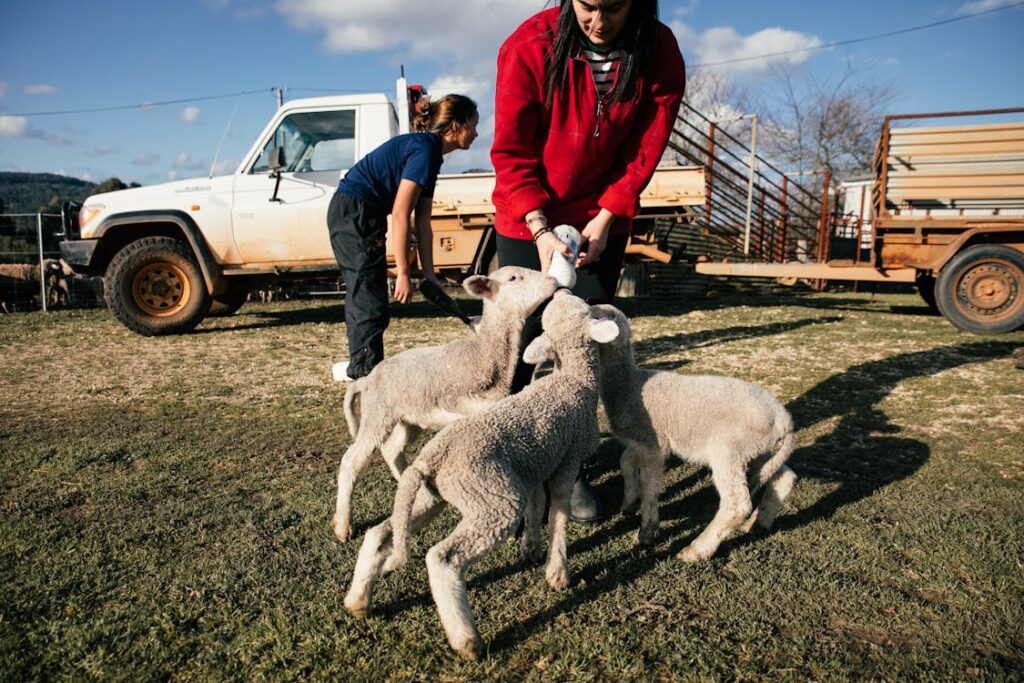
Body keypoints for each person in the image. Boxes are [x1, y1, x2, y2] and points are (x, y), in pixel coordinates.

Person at [490, 0, 686, 521]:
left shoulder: (659, 50)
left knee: (583, 340)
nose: (599, 22)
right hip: (529, 212)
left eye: (615, 7)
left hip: (601, 216)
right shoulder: (527, 47)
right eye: (587, 6)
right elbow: (511, 152)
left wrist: (607, 215)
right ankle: (509, 463)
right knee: (526, 337)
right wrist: (538, 229)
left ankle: (568, 466)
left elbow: (647, 145)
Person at [328, 94, 479, 381]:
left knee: (370, 297)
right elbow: (400, 214)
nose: (477, 133)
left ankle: (360, 369)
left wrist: (431, 275)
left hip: (360, 211)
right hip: (354, 210)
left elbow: (422, 220)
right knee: (368, 299)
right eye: (473, 125)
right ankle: (363, 375)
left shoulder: (431, 154)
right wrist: (404, 273)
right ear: (457, 125)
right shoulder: (424, 150)